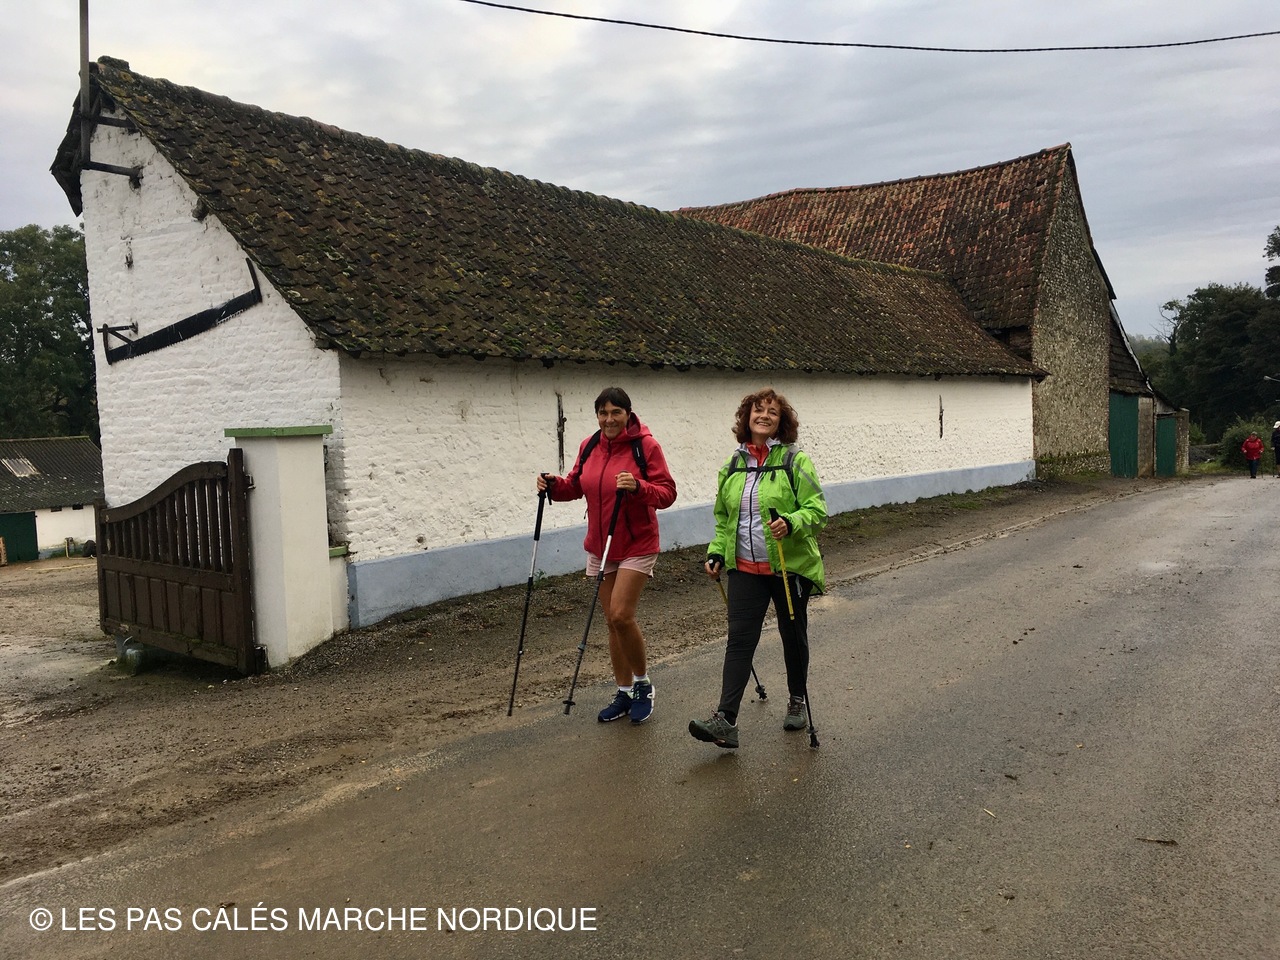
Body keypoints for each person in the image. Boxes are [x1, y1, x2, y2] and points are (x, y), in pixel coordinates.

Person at [689, 388, 827, 749]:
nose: (764, 416)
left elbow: (817, 511)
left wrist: (791, 522)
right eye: (758, 410)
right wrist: (717, 553)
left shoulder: (795, 461)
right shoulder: (733, 465)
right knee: (739, 640)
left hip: (788, 566)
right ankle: (726, 720)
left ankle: (797, 700)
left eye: (772, 412)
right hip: (745, 568)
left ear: (782, 422)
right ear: (746, 417)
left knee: (792, 635)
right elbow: (724, 520)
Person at [538, 388, 677, 724]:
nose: (609, 419)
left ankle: (643, 685)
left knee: (621, 615)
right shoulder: (589, 446)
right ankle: (624, 692)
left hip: (637, 543)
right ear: (597, 416)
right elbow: (575, 486)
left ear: (628, 413)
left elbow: (667, 493)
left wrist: (638, 487)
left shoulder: (646, 447)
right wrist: (553, 485)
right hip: (601, 546)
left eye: (616, 412)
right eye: (603, 413)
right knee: (612, 623)